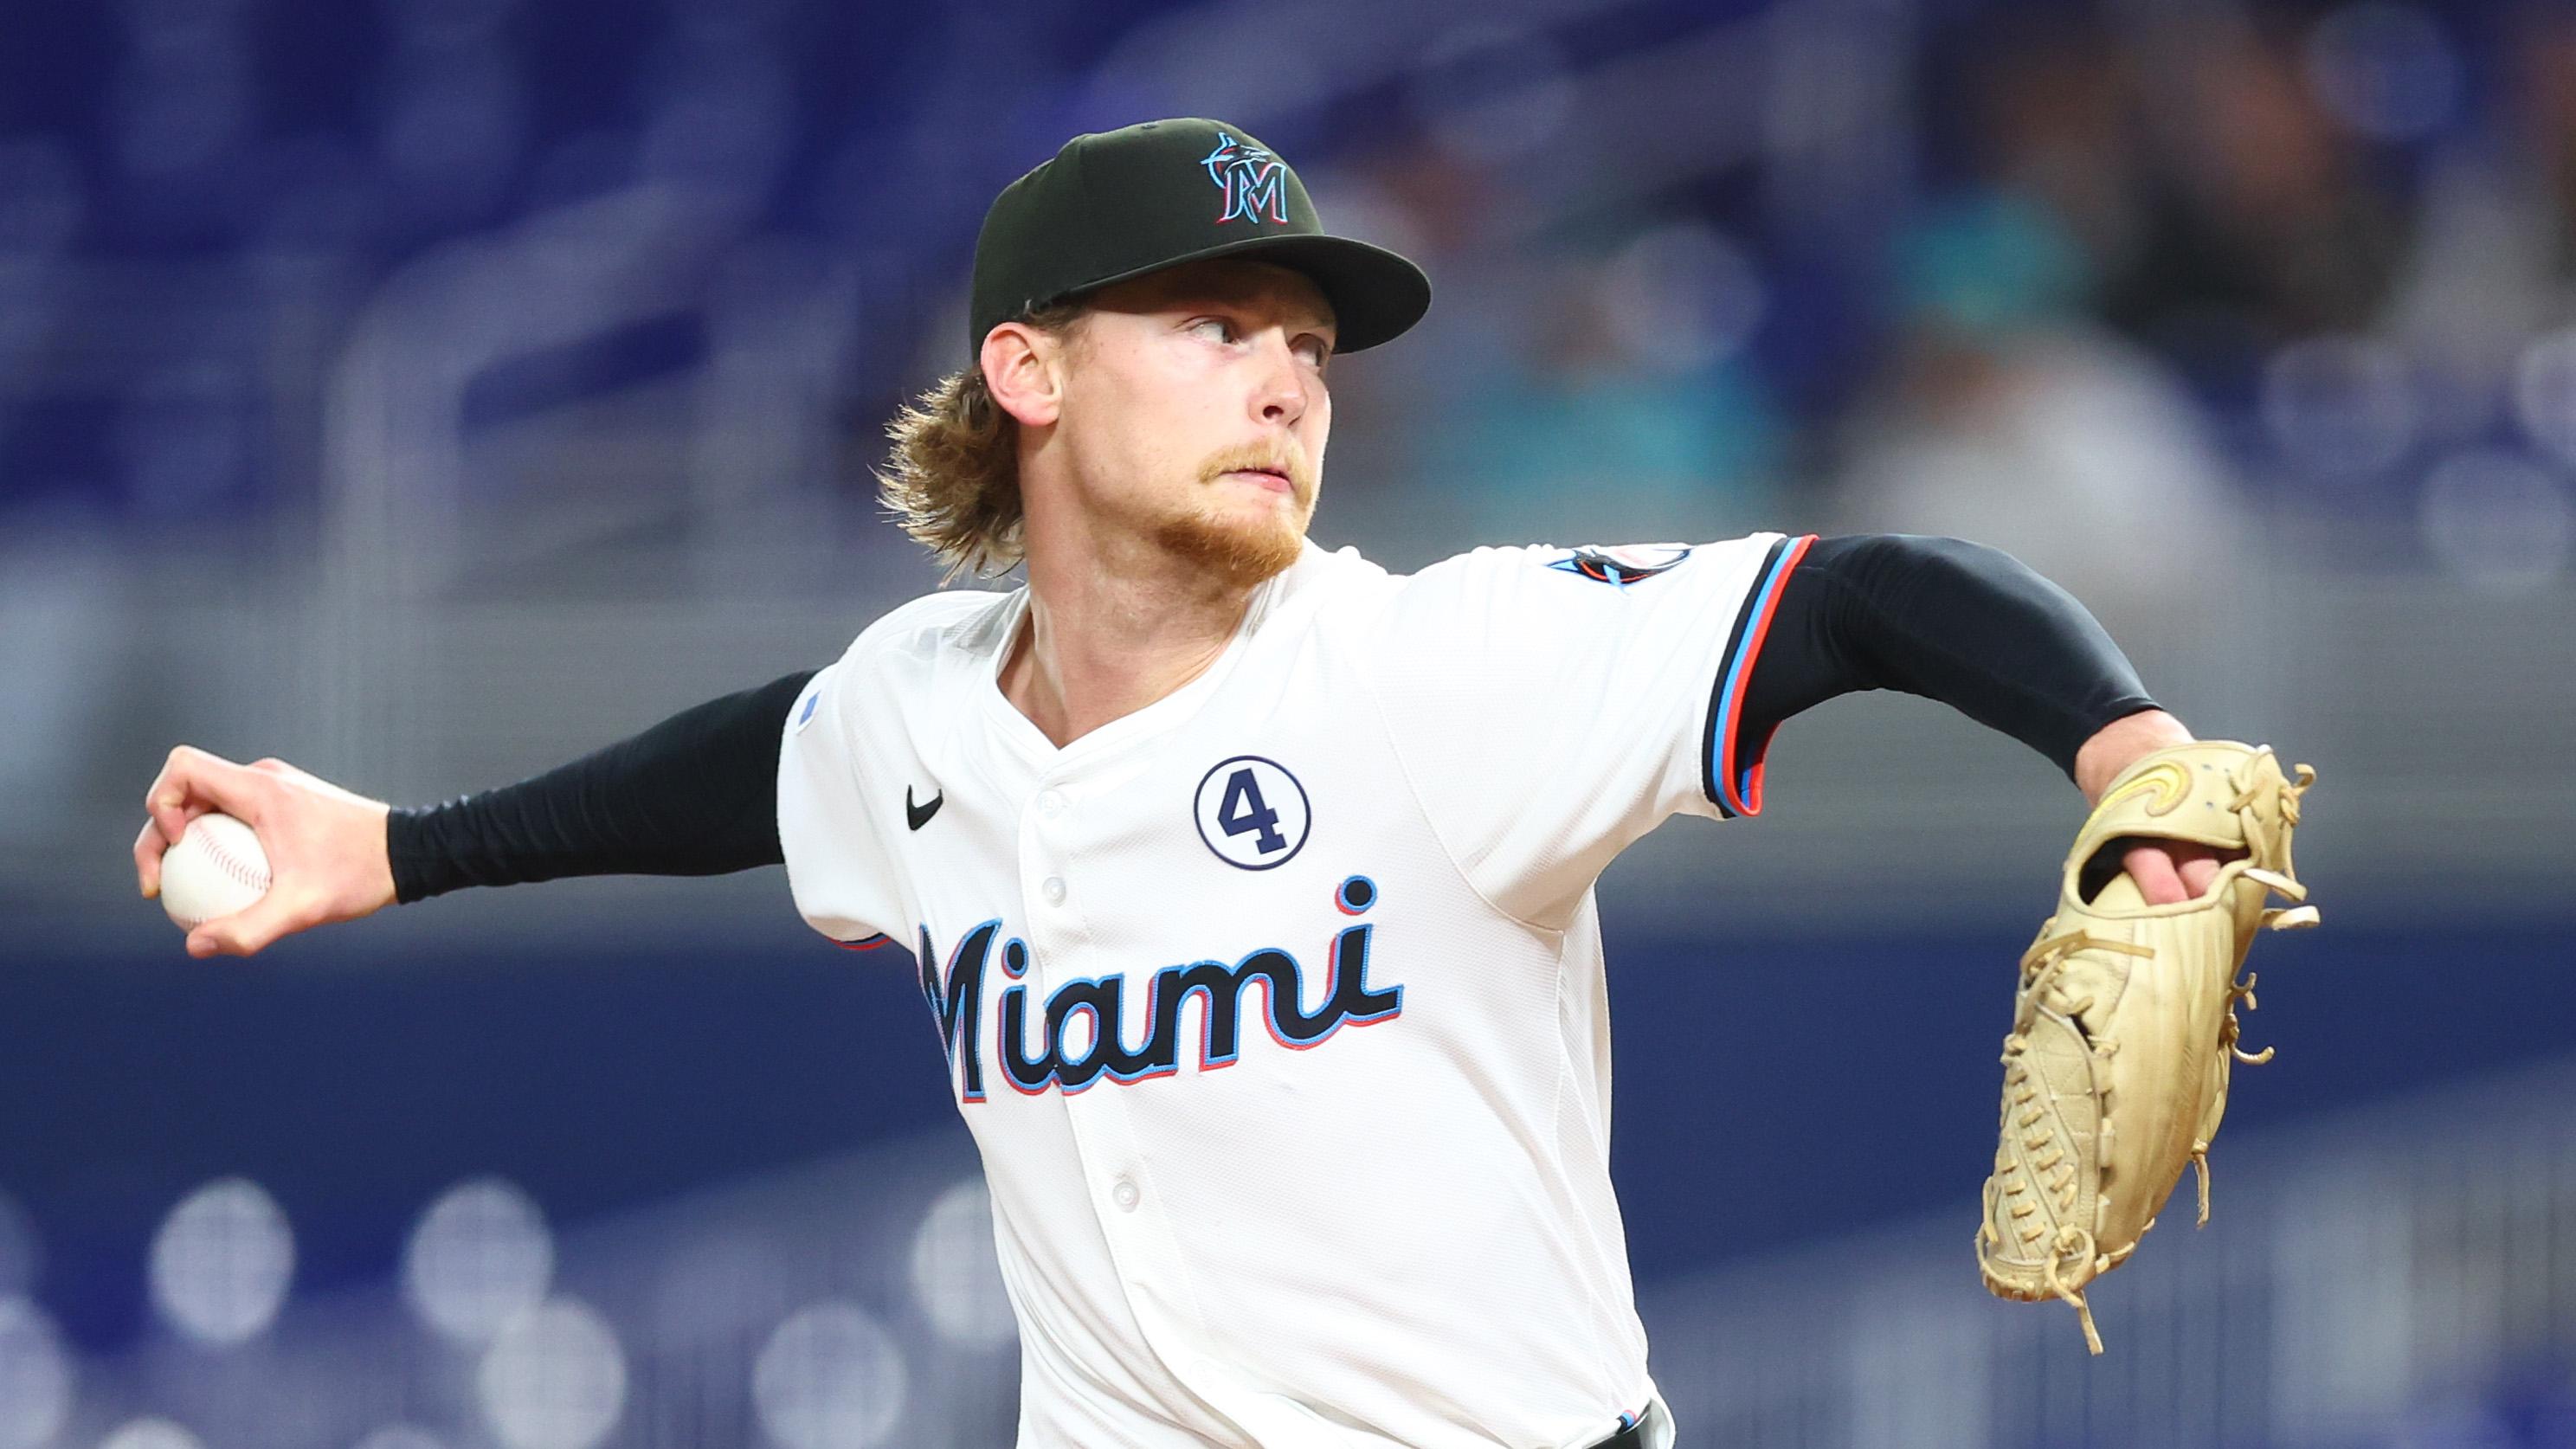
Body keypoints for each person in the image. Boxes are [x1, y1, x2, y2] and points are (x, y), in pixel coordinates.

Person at [136, 119, 2232, 1449]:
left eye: (1307, 344)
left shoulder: (1434, 665)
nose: (1286, 375)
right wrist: (393, 852)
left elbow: (1867, 593)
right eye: (1215, 322)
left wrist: (2135, 766)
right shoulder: (919, 713)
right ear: (1029, 374)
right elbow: (752, 767)